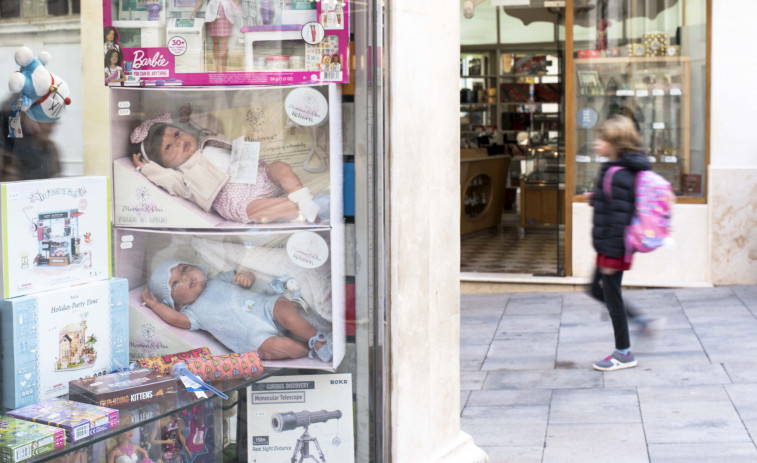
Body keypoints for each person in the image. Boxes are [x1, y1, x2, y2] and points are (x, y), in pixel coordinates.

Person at [130, 109, 321, 224]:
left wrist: (193, 116)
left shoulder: (206, 140)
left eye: (177, 134)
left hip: (258, 175)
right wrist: (147, 169)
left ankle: (302, 197)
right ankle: (297, 210)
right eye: (169, 147)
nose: (179, 142)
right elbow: (168, 181)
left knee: (280, 168)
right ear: (165, 165)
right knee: (258, 210)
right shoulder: (183, 176)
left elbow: (214, 124)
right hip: (236, 201)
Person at [142, 258, 333, 362]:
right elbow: (175, 320)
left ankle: (317, 339)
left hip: (265, 307)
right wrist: (156, 306)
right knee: (282, 348)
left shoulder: (218, 280)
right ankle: (306, 349)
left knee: (288, 315)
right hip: (254, 339)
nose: (184, 278)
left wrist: (246, 277)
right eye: (175, 283)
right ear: (177, 304)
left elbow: (244, 275)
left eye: (184, 269)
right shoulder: (191, 314)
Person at [586, 115, 652, 372]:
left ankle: (624, 352)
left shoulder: (620, 172)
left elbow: (621, 217)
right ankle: (640, 321)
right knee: (595, 289)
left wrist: (612, 258)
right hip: (608, 244)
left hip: (614, 246)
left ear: (615, 142)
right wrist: (597, 198)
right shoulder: (613, 168)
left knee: (612, 298)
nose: (596, 143)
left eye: (602, 139)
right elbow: (615, 204)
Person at [0, 97, 61, 181]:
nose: (50, 127)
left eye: (53, 122)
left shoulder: (51, 149)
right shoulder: (10, 152)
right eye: (46, 120)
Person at [191, 0, 242, 72]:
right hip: (213, 14)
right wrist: (194, 10)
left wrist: (234, 7)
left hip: (226, 14)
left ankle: (223, 70)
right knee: (216, 43)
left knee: (224, 44)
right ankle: (218, 69)